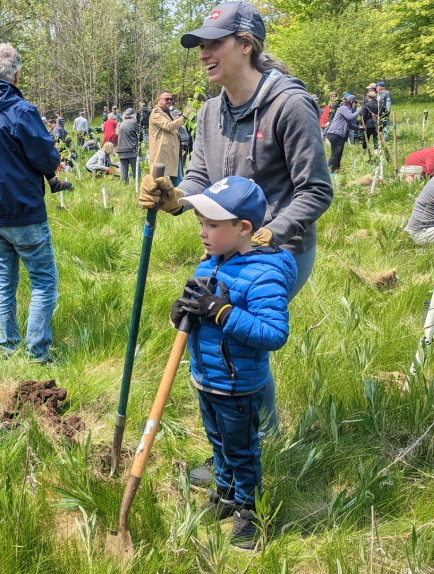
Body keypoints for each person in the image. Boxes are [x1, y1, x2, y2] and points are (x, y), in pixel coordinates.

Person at [141, 0, 332, 470]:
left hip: (280, 249)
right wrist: (176, 198)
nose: (204, 53)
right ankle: (243, 442)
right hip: (228, 248)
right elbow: (201, 177)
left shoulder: (289, 105)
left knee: (242, 335)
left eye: (215, 43)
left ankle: (250, 448)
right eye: (200, 45)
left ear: (246, 45)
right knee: (214, 330)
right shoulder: (209, 112)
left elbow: (317, 190)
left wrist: (270, 232)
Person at [171, 176, 295, 549]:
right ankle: (225, 494)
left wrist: (223, 313)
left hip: (236, 383)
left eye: (211, 225)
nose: (202, 233)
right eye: (200, 224)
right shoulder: (208, 263)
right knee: (218, 442)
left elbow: (274, 334)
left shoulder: (263, 274)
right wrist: (180, 314)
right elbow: (195, 313)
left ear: (243, 228)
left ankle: (250, 510)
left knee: (241, 451)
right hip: (205, 377)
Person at [0, 43, 65, 363]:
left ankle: (8, 347)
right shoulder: (20, 111)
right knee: (44, 281)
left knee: (4, 281)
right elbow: (47, 157)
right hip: (23, 211)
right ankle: (37, 352)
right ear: (16, 76)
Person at [149, 91, 189, 186]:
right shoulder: (156, 114)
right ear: (159, 100)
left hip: (173, 153)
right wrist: (184, 117)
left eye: (171, 99)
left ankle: (179, 200)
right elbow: (168, 126)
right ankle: (151, 200)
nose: (169, 101)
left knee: (179, 181)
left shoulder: (168, 113)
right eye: (167, 99)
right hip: (162, 153)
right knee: (156, 183)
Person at [325, 94, 360, 172]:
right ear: (351, 102)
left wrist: (359, 128)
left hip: (340, 135)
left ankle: (337, 170)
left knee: (339, 154)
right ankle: (329, 171)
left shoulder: (348, 110)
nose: (355, 105)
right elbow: (350, 117)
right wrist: (358, 111)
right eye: (355, 103)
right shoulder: (343, 108)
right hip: (335, 134)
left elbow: (350, 124)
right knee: (335, 154)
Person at [115, 108, 139, 184]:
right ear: (133, 115)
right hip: (132, 150)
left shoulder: (121, 123)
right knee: (136, 170)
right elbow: (140, 136)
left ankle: (125, 187)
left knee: (123, 171)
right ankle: (137, 186)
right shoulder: (135, 122)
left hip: (121, 150)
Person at [359, 86, 381, 151]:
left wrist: (360, 123)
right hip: (377, 124)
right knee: (376, 139)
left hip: (368, 125)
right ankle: (376, 152)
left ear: (368, 97)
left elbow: (364, 115)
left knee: (366, 139)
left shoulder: (367, 105)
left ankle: (364, 151)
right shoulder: (379, 104)